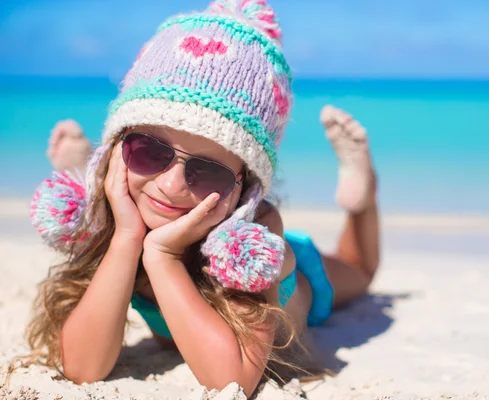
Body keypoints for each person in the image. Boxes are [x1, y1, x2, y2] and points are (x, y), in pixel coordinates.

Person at [23, 1, 380, 396]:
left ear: (246, 188)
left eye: (208, 171)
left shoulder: (254, 239)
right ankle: (91, 169)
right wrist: (126, 237)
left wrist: (163, 255)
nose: (172, 185)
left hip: (299, 286)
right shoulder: (111, 223)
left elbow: (233, 380)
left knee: (359, 272)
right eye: (148, 151)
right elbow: (82, 367)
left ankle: (361, 198)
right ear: (116, 147)